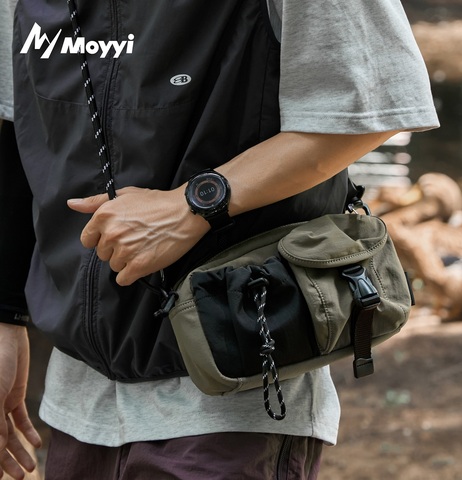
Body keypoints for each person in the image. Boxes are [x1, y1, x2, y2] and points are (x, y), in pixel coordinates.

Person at [1, 0, 439, 478]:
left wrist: (193, 205)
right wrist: (6, 315)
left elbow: (371, 105)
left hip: (239, 380)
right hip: (77, 399)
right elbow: (16, 126)